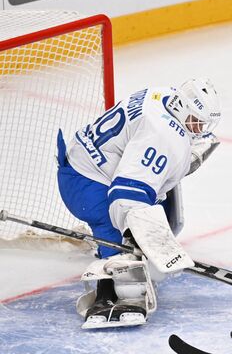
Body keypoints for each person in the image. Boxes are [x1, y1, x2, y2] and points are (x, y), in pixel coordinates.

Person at [56, 78, 222, 328]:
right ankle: (110, 293)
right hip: (84, 182)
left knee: (159, 203)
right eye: (197, 122)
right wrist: (143, 240)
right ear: (183, 109)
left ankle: (125, 256)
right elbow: (126, 194)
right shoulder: (163, 137)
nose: (200, 129)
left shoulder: (163, 95)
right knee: (119, 236)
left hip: (86, 156)